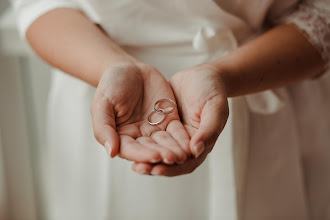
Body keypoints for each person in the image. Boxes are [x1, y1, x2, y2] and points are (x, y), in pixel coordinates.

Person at [12, 0, 330, 219]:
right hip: (106, 92)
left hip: (268, 77)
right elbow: (38, 5)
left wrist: (223, 74)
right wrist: (113, 66)